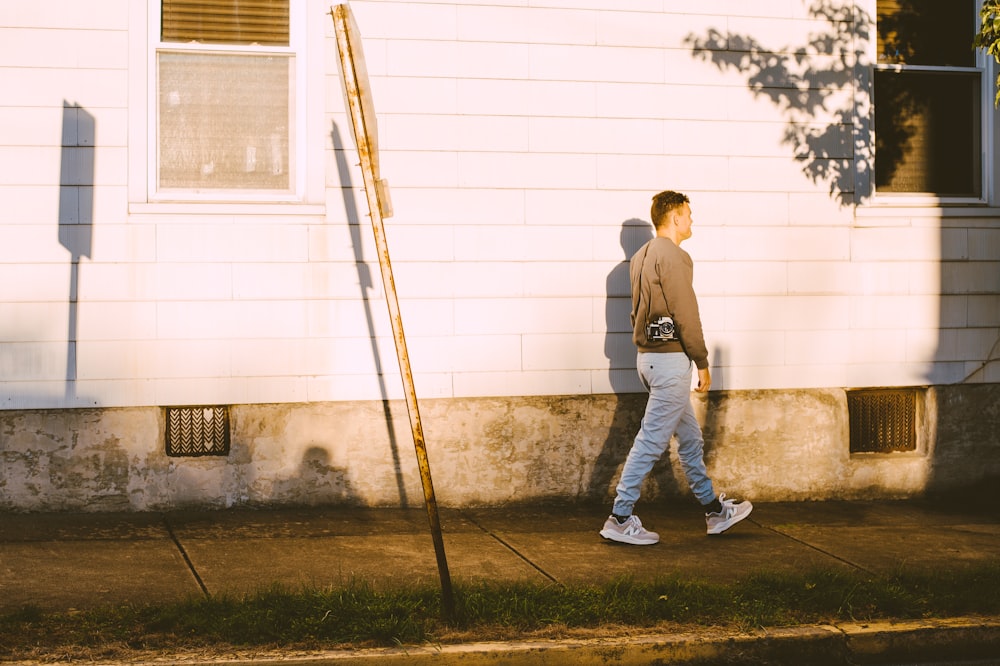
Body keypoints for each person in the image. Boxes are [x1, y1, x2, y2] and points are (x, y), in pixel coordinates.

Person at [600, 191, 752, 545]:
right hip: (670, 362)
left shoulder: (640, 258)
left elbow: (635, 314)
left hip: (649, 361)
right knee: (651, 441)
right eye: (689, 214)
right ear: (674, 218)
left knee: (690, 439)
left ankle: (715, 512)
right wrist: (702, 361)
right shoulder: (675, 256)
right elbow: (686, 314)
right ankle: (620, 517)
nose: (692, 221)